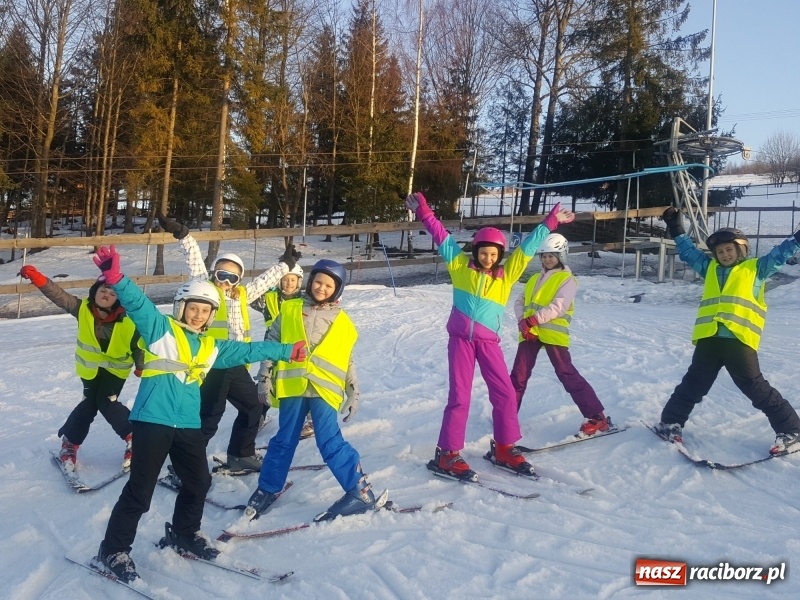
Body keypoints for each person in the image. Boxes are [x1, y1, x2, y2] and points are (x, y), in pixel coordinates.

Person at [90, 245, 305, 583]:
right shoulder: (161, 331)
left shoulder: (210, 346)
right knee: (140, 491)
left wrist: (286, 350)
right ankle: (113, 550)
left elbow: (248, 350)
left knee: (199, 482)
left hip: (188, 424)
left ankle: (185, 533)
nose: (198, 315)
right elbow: (138, 304)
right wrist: (116, 278)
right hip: (153, 421)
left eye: (205, 311)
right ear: (182, 307)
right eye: (194, 308)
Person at [405, 192, 575, 481]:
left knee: (505, 393)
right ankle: (447, 454)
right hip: (461, 341)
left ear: (500, 256)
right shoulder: (459, 267)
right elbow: (442, 237)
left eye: (494, 254)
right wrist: (424, 213)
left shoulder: (506, 275)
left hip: (488, 343)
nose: (488, 258)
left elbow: (527, 248)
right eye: (484, 253)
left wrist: (549, 223)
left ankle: (504, 447)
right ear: (476, 252)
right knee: (460, 396)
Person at [158, 213, 301, 471]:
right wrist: (183, 234)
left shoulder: (242, 295)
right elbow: (194, 261)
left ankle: (240, 455)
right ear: (213, 273)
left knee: (253, 406)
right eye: (222, 274)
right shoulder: (207, 290)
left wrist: (286, 264)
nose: (225, 282)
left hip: (235, 363)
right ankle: (182, 467)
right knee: (209, 417)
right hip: (212, 363)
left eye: (233, 278)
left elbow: (265, 281)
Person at [655, 207, 800, 455]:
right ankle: (670, 422)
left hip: (738, 342)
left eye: (729, 249)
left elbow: (780, 254)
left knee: (755, 388)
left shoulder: (756, 269)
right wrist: (676, 227)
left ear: (741, 249)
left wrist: (797, 239)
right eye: (720, 252)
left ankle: (791, 430)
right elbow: (689, 253)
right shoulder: (709, 268)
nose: (724, 255)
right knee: (693, 384)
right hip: (709, 339)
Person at [245, 259, 374, 521]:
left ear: (337, 290)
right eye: (318, 281)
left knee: (329, 440)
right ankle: (268, 487)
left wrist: (353, 392)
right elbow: (272, 343)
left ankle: (359, 490)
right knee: (284, 439)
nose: (321, 288)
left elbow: (346, 359)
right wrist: (264, 376)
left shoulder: (342, 321)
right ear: (310, 281)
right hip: (293, 386)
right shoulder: (290, 309)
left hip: (324, 389)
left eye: (329, 285)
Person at [18, 265, 140, 471]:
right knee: (89, 404)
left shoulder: (128, 319)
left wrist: (141, 365)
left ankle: (134, 437)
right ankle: (70, 444)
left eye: (112, 293)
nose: (106, 295)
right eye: (103, 290)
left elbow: (138, 343)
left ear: (118, 299)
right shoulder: (82, 308)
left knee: (107, 402)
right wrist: (38, 278)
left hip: (115, 370)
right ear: (95, 292)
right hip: (89, 369)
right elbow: (59, 296)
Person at [509, 233, 608, 437]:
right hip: (530, 333)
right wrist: (522, 322)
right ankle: (506, 417)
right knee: (518, 375)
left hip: (552, 334)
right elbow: (520, 301)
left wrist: (532, 320)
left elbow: (559, 306)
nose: (547, 260)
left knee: (566, 373)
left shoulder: (567, 279)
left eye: (551, 256)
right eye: (544, 256)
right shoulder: (534, 279)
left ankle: (597, 416)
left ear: (561, 256)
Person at [251, 264, 314, 438]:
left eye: (293, 280)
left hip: (298, 346)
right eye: (285, 279)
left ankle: (311, 420)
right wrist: (274, 272)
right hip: (273, 343)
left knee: (304, 382)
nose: (289, 283)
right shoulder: (269, 297)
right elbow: (251, 294)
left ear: (299, 282)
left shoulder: (306, 300)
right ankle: (258, 416)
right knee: (267, 380)